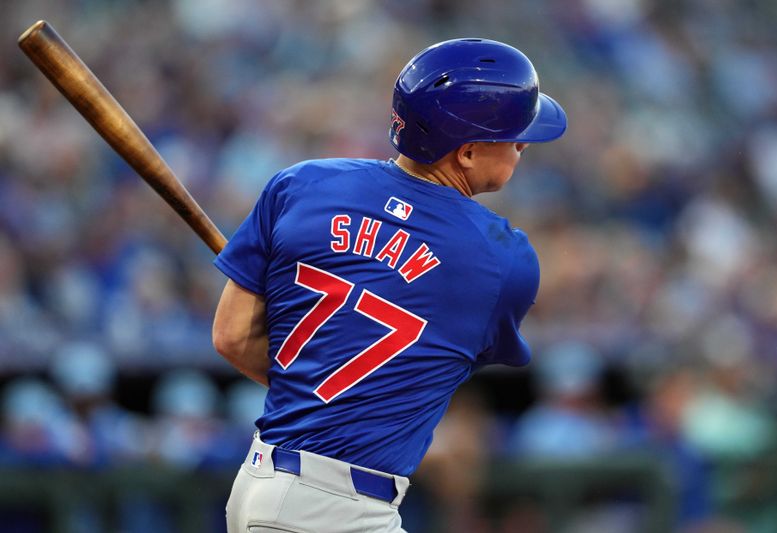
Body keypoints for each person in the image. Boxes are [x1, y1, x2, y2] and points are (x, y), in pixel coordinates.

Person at [213, 38, 567, 533]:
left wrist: (317, 390)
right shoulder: (503, 258)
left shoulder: (299, 185)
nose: (523, 144)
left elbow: (232, 337)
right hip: (333, 509)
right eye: (513, 134)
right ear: (466, 152)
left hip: (264, 484)